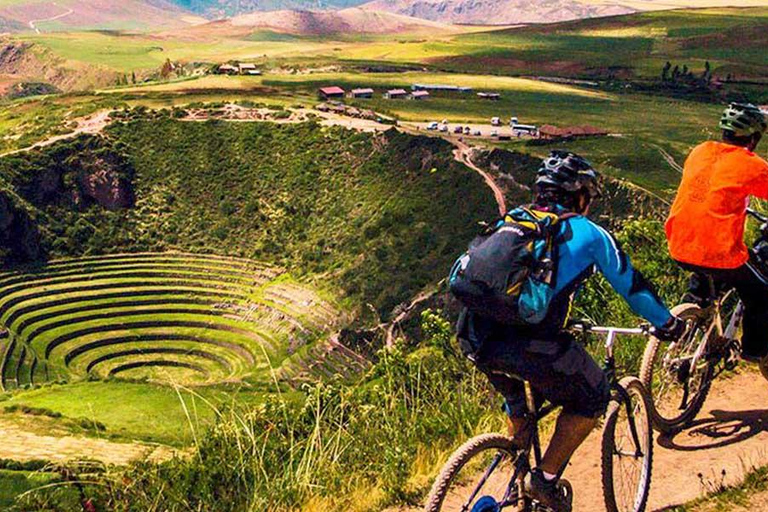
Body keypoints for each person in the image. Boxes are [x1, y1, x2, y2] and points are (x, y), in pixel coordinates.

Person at [457, 151, 683, 512]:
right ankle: (542, 481)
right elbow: (633, 288)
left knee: (520, 399)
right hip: (529, 344)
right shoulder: (590, 234)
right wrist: (667, 323)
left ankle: (512, 462)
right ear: (580, 196)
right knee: (590, 397)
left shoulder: (515, 220)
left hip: (475, 336)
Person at [665, 102, 768, 375]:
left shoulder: (700, 151)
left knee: (704, 279)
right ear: (754, 138)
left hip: (679, 244)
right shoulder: (752, 165)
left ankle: (692, 323)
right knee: (761, 293)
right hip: (721, 254)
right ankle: (754, 350)